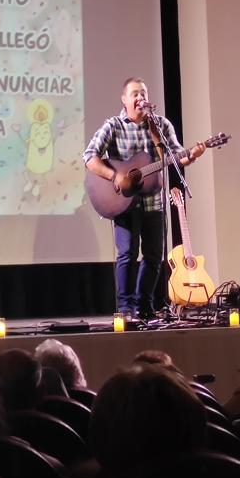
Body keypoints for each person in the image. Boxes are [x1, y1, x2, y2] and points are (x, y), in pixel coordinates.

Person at [84, 77, 206, 317]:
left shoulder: (159, 125)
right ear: (125, 99)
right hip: (123, 204)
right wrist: (115, 176)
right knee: (127, 254)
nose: (140, 98)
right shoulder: (114, 126)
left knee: (153, 256)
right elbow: (90, 158)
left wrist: (192, 155)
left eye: (144, 93)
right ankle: (126, 307)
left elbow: (176, 154)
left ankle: (145, 306)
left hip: (154, 203)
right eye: (135, 94)